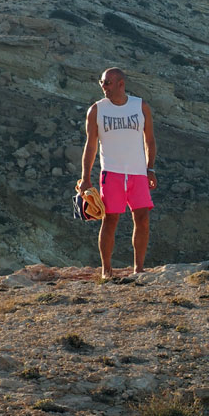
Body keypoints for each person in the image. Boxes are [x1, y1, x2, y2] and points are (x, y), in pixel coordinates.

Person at [77, 67, 157, 278]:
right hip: (111, 173)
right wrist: (85, 178)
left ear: (121, 83)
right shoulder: (97, 110)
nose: (104, 87)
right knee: (110, 219)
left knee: (142, 218)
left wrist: (150, 168)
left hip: (138, 172)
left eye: (108, 83)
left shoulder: (140, 106)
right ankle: (106, 270)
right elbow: (90, 146)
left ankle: (138, 268)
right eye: (102, 83)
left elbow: (149, 140)